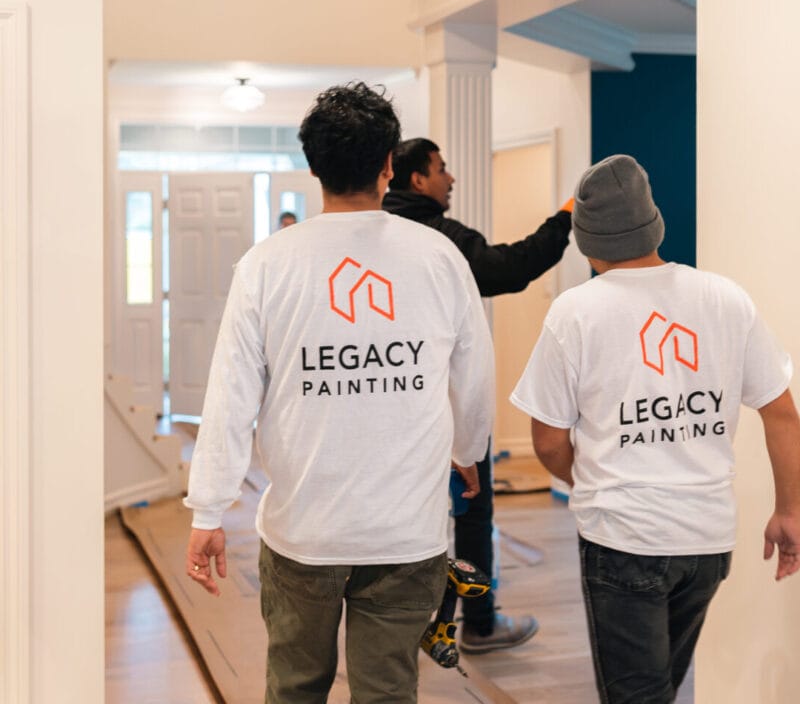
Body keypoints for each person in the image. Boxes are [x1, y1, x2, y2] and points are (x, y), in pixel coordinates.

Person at [183, 82, 495, 704]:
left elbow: (229, 398)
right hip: (408, 532)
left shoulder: (268, 265)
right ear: (388, 166)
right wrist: (467, 448)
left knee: (295, 688)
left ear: (313, 166)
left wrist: (208, 511)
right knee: (388, 692)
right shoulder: (438, 258)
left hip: (305, 530)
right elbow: (475, 372)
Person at [510, 154, 800, 703]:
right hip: (708, 541)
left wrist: (596, 479)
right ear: (655, 224)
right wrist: (790, 510)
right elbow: (782, 411)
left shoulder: (575, 313)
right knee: (658, 688)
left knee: (638, 696)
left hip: (625, 538)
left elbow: (548, 442)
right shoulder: (724, 298)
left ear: (586, 241)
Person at [383, 137, 573, 654]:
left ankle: (393, 629)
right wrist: (565, 218)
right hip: (446, 407)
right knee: (471, 515)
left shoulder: (371, 237)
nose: (451, 178)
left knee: (396, 515)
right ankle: (481, 624)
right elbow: (510, 268)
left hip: (384, 409)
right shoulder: (442, 240)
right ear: (418, 179)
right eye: (442, 169)